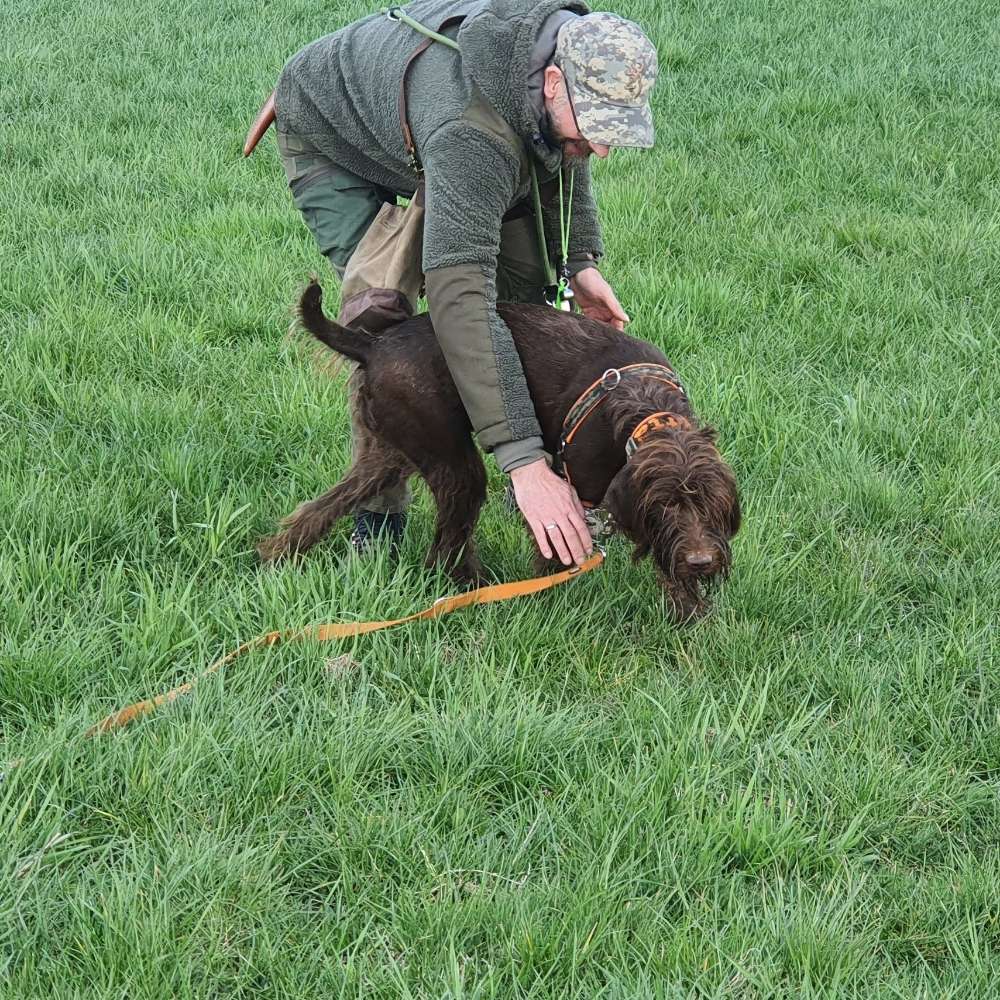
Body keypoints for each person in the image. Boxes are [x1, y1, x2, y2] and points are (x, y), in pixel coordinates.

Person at [272, 0, 658, 567]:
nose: (602, 148)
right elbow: (461, 300)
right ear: (553, 82)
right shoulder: (472, 134)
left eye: (614, 131)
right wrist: (523, 460)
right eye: (597, 127)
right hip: (335, 136)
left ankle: (546, 489)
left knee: (527, 305)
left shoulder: (550, 59)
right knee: (387, 333)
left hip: (433, 129)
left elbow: (560, 154)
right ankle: (379, 515)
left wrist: (579, 261)